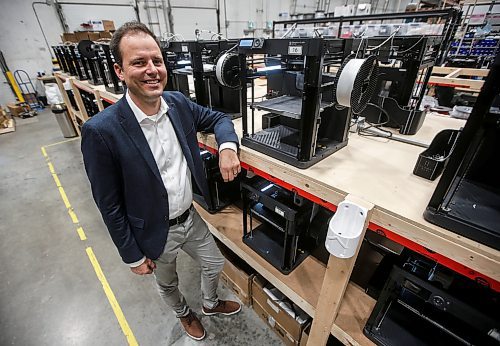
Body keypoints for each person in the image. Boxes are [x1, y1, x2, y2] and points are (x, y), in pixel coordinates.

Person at [81, 21, 242, 341]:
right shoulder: (101, 131)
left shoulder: (178, 104)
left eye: (156, 60)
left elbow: (218, 118)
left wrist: (226, 147)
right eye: (138, 62)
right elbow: (108, 203)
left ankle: (210, 303)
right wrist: (131, 254)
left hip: (191, 217)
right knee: (168, 283)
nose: (152, 69)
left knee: (214, 263)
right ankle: (184, 314)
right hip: (153, 230)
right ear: (119, 71)